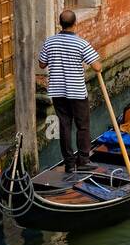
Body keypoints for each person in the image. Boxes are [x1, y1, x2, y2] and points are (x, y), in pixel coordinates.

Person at [38, 11, 102, 174]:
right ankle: (83, 161)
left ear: (60, 24)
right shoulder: (81, 43)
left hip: (57, 91)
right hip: (77, 92)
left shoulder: (49, 42)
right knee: (83, 126)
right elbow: (97, 67)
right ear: (75, 24)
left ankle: (69, 164)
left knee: (65, 126)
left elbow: (42, 64)